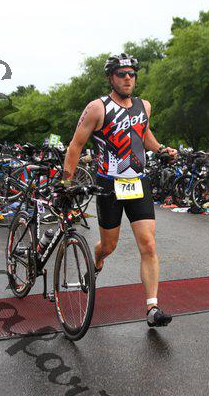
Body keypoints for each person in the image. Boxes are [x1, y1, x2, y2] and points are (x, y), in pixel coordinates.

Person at [62, 53, 178, 327]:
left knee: (148, 244)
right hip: (109, 185)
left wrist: (161, 149)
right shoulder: (97, 108)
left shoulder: (144, 106)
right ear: (110, 78)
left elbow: (143, 134)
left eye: (131, 74)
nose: (128, 78)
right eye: (121, 74)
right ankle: (97, 259)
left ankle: (152, 308)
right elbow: (76, 145)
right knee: (109, 246)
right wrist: (66, 183)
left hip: (138, 182)